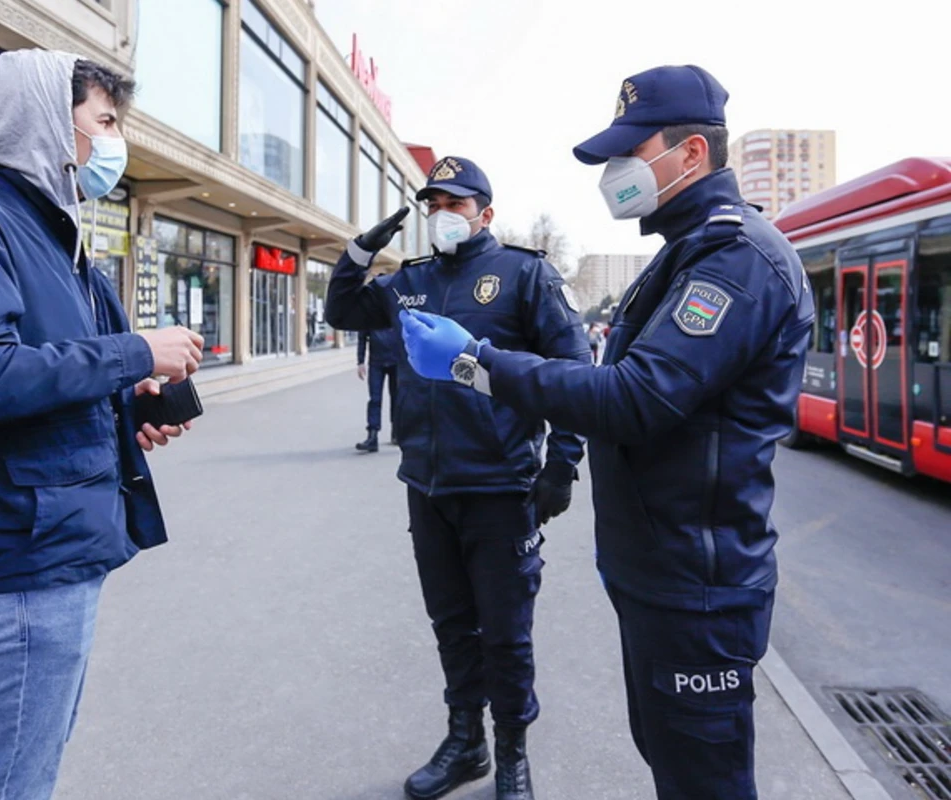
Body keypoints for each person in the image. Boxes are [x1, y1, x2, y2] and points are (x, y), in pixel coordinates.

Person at [401, 65, 814, 800]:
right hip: (659, 576)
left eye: (631, 150)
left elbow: (633, 397)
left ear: (690, 154)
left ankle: (507, 754)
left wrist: (475, 362)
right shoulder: (685, 254)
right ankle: (470, 743)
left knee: (703, 781)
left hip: (698, 589)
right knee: (669, 760)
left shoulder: (737, 258)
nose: (617, 171)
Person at [0, 50, 205, 800]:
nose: (113, 141)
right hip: (18, 559)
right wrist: (133, 350)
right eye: (103, 121)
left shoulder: (62, 243)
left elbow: (51, 377)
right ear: (47, 120)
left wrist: (128, 406)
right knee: (7, 787)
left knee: (27, 772)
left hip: (60, 548)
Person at [327, 156, 590, 800]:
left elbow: (575, 366)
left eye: (455, 204)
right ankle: (464, 740)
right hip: (428, 486)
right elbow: (341, 310)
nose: (442, 215)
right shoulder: (408, 281)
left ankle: (513, 756)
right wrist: (363, 248)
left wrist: (562, 464)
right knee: (452, 625)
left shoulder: (523, 275)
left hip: (501, 490)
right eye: (433, 204)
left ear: (485, 214)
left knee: (505, 634)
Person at [354, 324, 402, 452]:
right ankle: (372, 436)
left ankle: (397, 433)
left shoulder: (394, 309)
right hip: (376, 363)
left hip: (396, 361)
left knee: (397, 398)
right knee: (375, 399)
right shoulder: (370, 313)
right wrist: (360, 361)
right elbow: (362, 337)